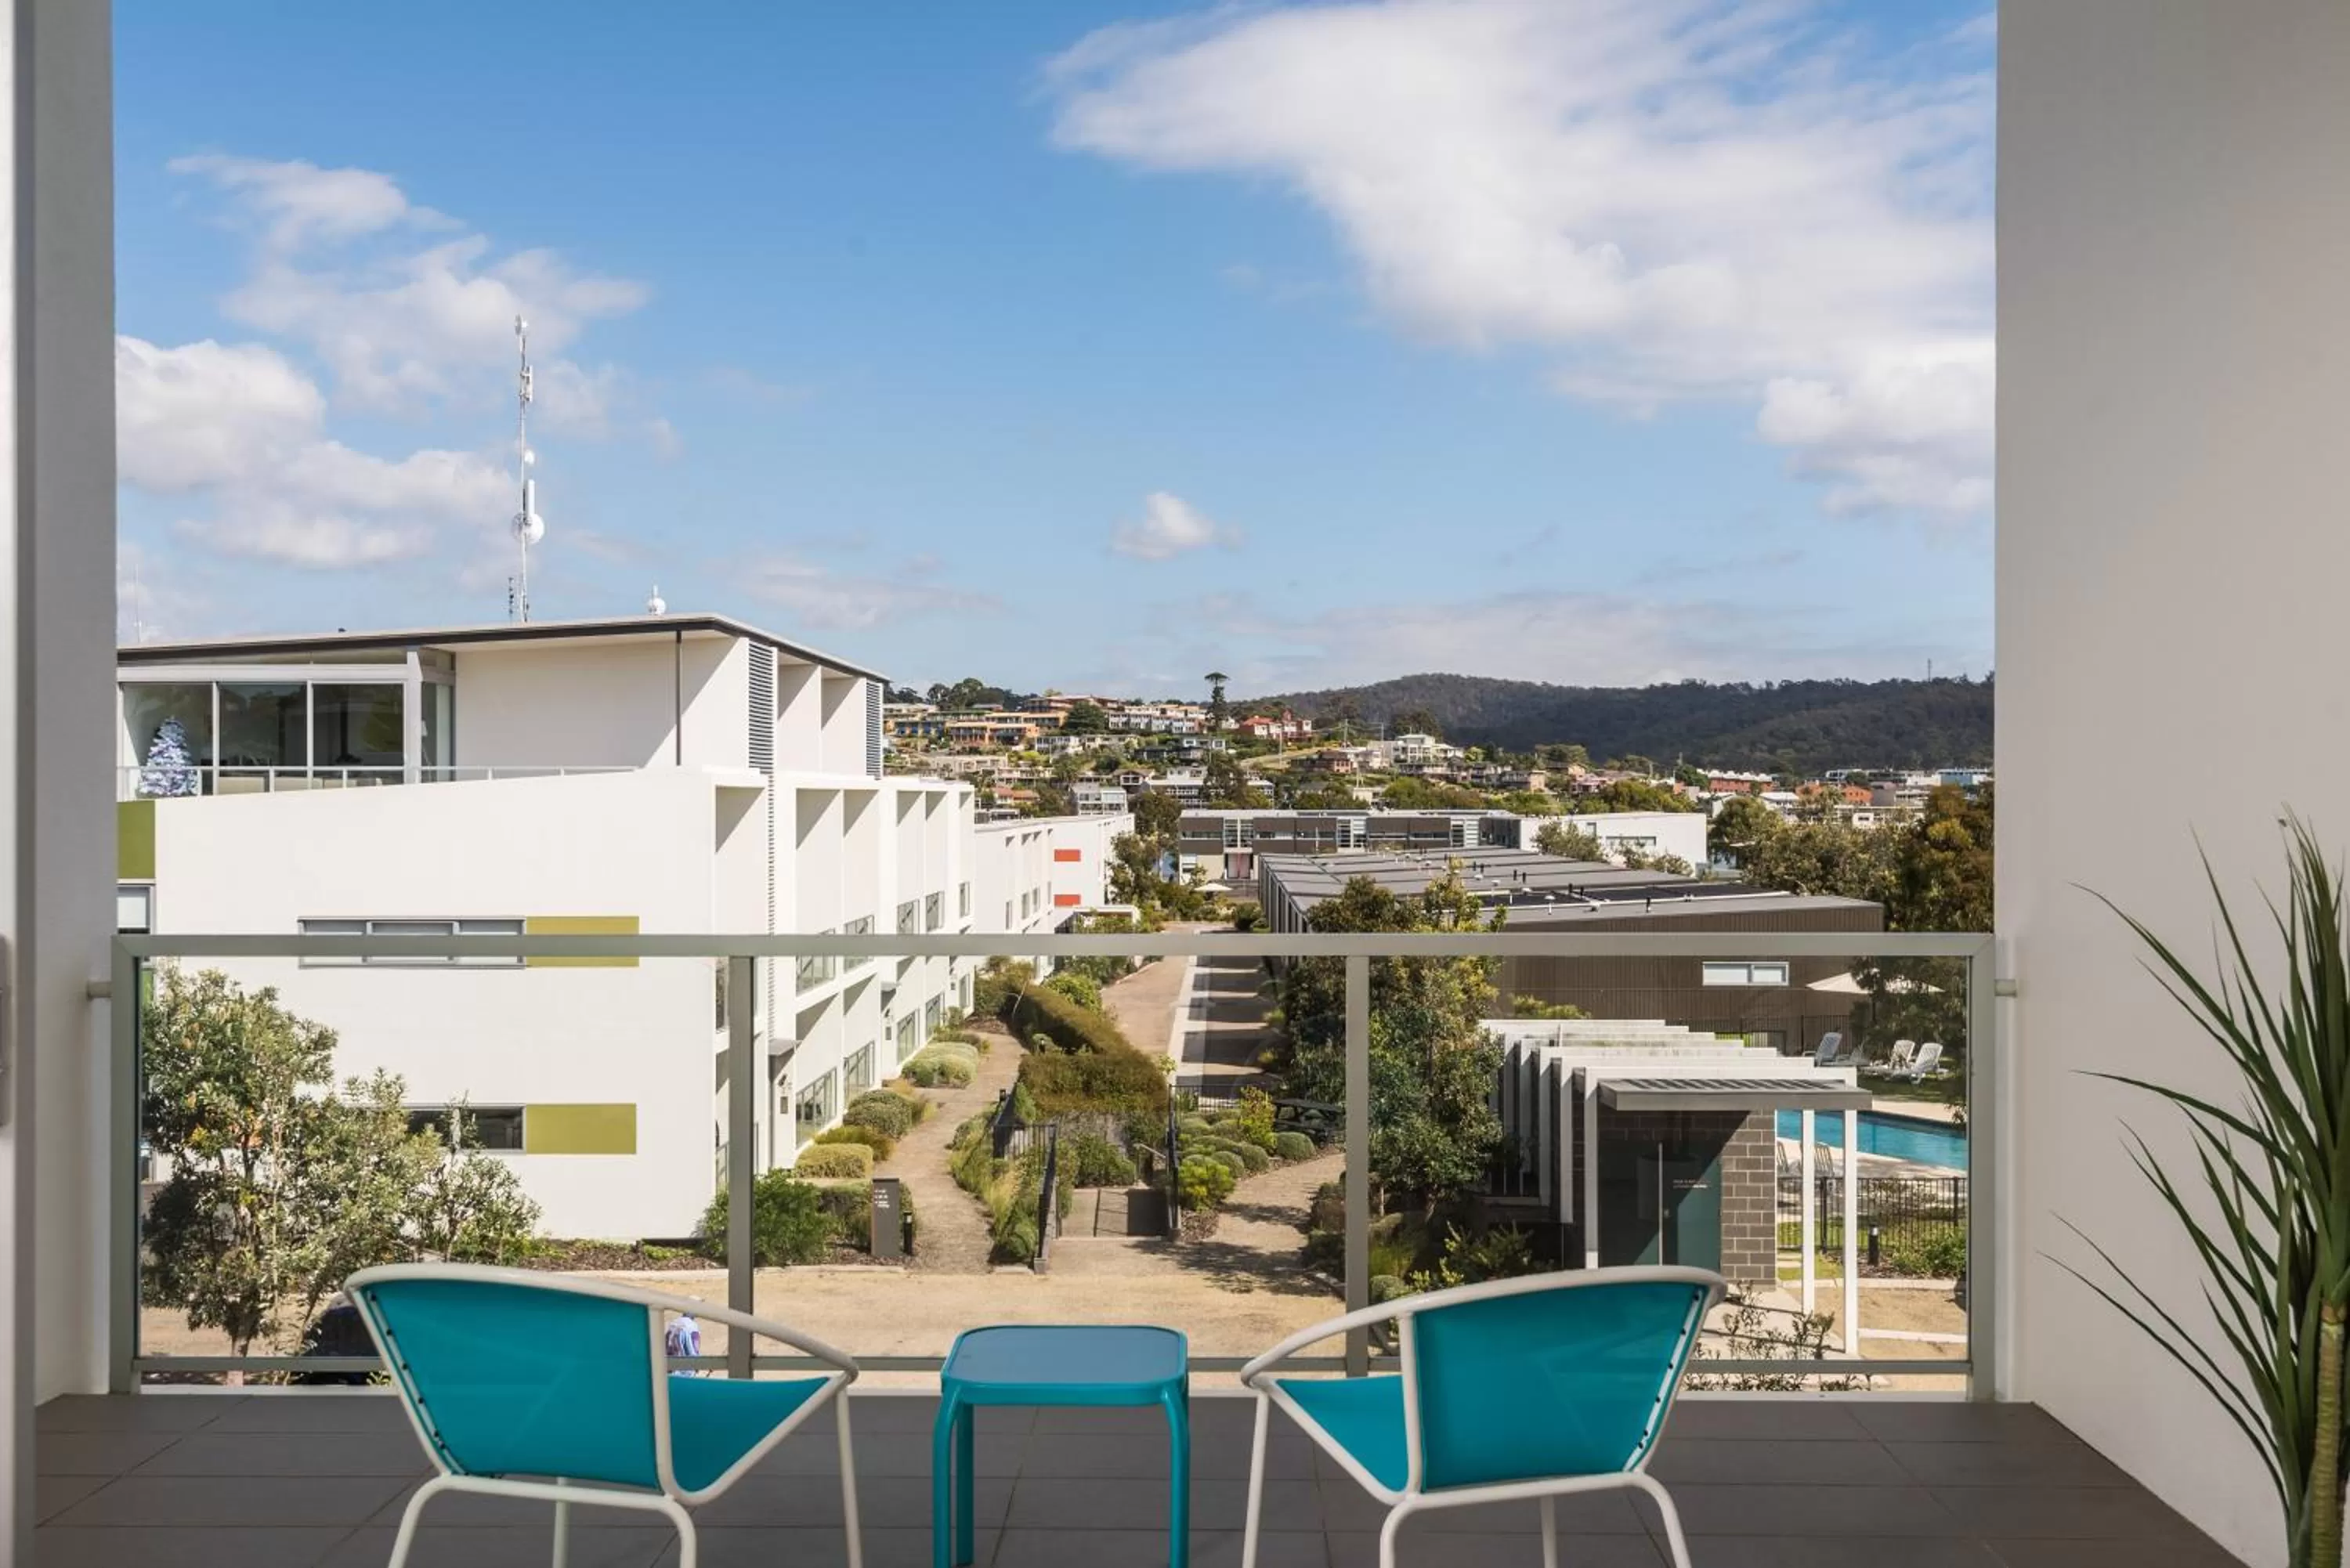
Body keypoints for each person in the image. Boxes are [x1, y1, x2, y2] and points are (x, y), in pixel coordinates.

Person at [664, 1311, 703, 1375]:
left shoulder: (673, 1323)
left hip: (670, 1365)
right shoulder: (693, 1325)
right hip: (685, 1368)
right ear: (693, 1317)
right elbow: (695, 1347)